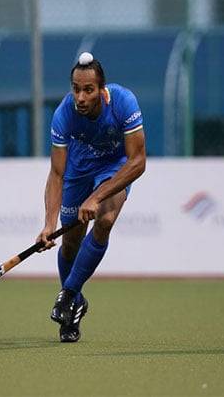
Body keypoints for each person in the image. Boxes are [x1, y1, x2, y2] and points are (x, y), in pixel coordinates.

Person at [36, 52, 146, 342]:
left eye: (88, 90)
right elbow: (56, 174)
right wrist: (49, 224)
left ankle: (68, 295)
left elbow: (138, 162)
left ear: (102, 90)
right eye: (75, 89)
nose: (80, 97)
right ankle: (75, 305)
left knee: (106, 218)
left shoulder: (124, 102)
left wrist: (96, 197)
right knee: (70, 241)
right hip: (78, 169)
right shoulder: (64, 115)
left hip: (114, 167)